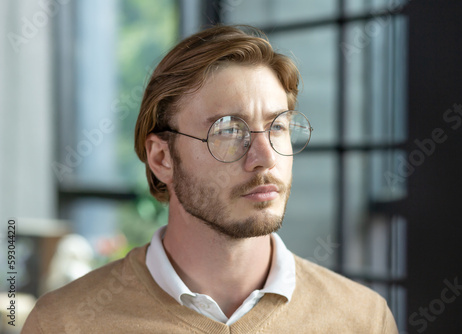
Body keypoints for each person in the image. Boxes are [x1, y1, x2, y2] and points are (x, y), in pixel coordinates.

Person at [22, 25, 398, 333]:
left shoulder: (362, 319)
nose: (265, 157)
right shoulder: (63, 323)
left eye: (278, 126)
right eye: (229, 130)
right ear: (161, 158)